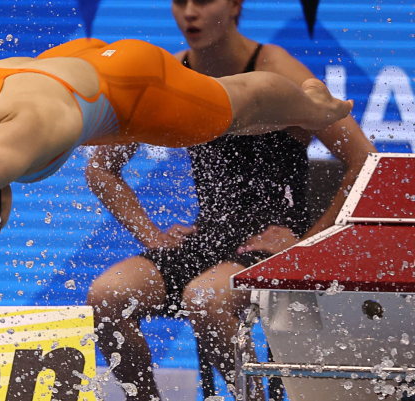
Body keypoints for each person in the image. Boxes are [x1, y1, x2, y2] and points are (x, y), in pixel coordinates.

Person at [0, 37, 352, 302]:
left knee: (233, 107)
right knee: (225, 108)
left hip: (132, 87)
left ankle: (313, 107)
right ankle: (307, 108)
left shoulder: (21, 141)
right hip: (70, 64)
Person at [84, 2, 375, 400]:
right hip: (210, 239)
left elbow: (365, 161)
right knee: (107, 296)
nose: (190, 13)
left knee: (203, 299)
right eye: (180, 1)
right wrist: (151, 235)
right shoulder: (172, 74)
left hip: (271, 247)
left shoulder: (275, 68)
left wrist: (307, 248)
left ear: (236, 4)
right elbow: (100, 168)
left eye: (203, 0)